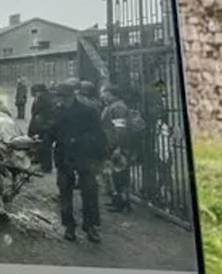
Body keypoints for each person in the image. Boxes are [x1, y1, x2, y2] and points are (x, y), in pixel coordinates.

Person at [54, 79, 105, 243]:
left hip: (85, 156)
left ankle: (90, 226)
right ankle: (69, 226)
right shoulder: (57, 111)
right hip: (64, 156)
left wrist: (80, 141)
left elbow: (98, 134)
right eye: (58, 98)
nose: (58, 100)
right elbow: (51, 132)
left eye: (61, 97)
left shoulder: (87, 111)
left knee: (90, 191)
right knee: (65, 191)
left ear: (70, 96)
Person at [99, 84, 143, 212]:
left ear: (110, 93)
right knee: (116, 174)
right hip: (114, 144)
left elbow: (120, 129)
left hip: (119, 146)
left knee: (120, 174)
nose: (102, 95)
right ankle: (119, 201)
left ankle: (122, 202)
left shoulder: (118, 107)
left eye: (104, 92)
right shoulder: (114, 106)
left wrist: (117, 146)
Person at [27, 83, 55, 172]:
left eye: (35, 92)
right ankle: (41, 161)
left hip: (44, 125)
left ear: (39, 91)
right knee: (42, 144)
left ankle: (46, 166)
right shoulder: (45, 97)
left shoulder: (43, 99)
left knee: (45, 145)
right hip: (42, 124)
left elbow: (38, 111)